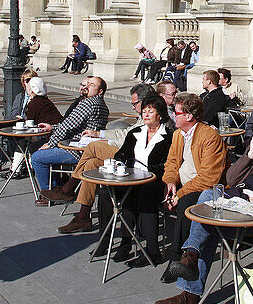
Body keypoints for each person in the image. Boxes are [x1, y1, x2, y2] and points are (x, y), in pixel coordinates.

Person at [157, 106, 253, 304]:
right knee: (208, 198)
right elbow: (230, 179)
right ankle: (190, 257)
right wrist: (250, 156)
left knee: (207, 221)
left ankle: (190, 286)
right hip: (239, 199)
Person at [44, 84, 151, 231]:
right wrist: (99, 134)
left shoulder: (152, 115)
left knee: (93, 147)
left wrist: (104, 140)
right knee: (91, 165)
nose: (133, 107)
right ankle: (83, 216)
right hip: (124, 152)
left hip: (132, 158)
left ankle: (67, 190)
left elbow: (131, 138)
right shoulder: (142, 116)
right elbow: (127, 132)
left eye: (135, 103)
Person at [158, 93, 227, 281]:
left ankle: (176, 257)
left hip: (206, 190)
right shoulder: (178, 135)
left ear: (189, 116)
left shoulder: (209, 136)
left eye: (176, 112)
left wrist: (178, 194)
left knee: (187, 202)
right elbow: (171, 163)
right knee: (147, 189)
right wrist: (170, 183)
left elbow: (208, 178)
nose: (173, 115)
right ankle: (145, 245)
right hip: (182, 184)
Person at [100, 95, 174, 267]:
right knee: (105, 192)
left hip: (155, 182)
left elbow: (167, 164)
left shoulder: (169, 136)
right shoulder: (135, 133)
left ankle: (151, 249)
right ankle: (106, 240)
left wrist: (145, 172)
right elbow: (122, 154)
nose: (146, 114)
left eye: (151, 111)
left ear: (160, 115)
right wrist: (119, 164)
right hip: (131, 179)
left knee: (141, 193)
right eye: (145, 111)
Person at [32, 77, 109, 201]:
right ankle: (58, 188)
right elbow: (73, 123)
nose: (86, 86)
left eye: (91, 85)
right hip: (85, 149)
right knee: (47, 155)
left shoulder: (88, 103)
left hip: (75, 150)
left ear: (100, 91)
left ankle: (49, 194)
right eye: (87, 84)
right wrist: (52, 127)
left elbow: (68, 126)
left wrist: (50, 143)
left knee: (37, 157)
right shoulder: (103, 105)